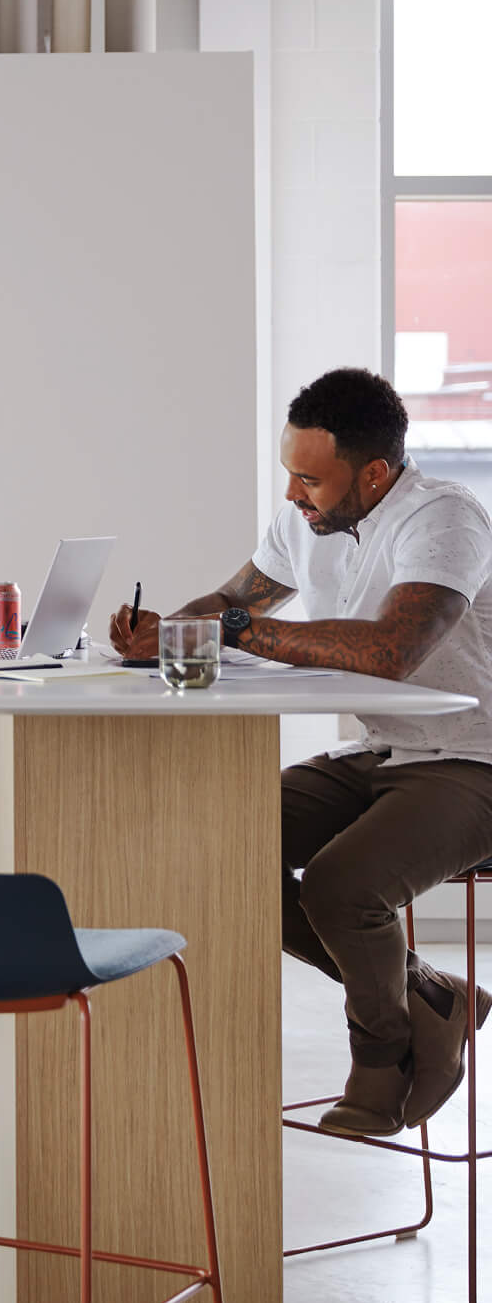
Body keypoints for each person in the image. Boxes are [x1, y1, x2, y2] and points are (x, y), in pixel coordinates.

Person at [113, 367, 492, 1138]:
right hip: (380, 751)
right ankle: (428, 997)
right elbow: (231, 604)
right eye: (290, 472)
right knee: (219, 850)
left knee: (339, 884)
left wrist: (234, 633)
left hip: (471, 758)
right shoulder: (307, 520)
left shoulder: (445, 518)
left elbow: (393, 650)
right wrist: (165, 631)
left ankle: (383, 1054)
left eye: (310, 480)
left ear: (376, 473)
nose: (293, 494)